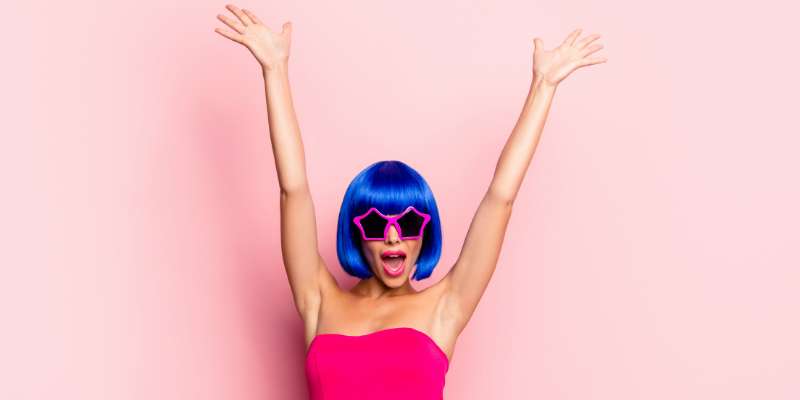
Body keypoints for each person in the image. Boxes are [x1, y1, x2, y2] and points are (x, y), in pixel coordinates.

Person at [214, 4, 607, 399]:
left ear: (425, 232)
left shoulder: (445, 306)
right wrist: (275, 71)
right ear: (357, 235)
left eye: (408, 223)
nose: (392, 237)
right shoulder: (319, 299)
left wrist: (543, 86)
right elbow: (293, 190)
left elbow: (500, 198)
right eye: (374, 224)